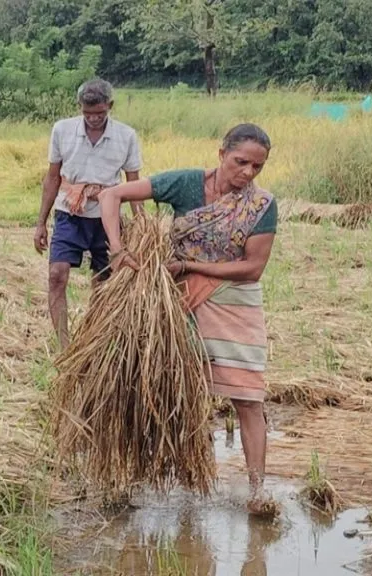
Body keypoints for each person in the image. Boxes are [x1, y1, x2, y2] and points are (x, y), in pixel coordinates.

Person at [96, 123, 278, 511]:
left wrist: (190, 265)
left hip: (235, 304)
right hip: (179, 303)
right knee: (175, 388)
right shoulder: (185, 184)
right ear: (221, 153)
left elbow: (252, 268)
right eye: (240, 162)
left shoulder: (261, 205)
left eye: (256, 167)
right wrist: (116, 249)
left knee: (248, 398)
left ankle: (258, 491)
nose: (246, 174)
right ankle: (173, 479)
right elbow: (110, 195)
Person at [35, 78, 145, 350]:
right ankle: (64, 347)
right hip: (69, 213)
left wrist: (141, 226)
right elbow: (52, 178)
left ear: (110, 106)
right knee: (56, 274)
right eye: (88, 113)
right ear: (80, 108)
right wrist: (40, 223)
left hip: (106, 217)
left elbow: (134, 185)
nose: (94, 119)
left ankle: (92, 339)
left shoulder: (126, 136)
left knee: (103, 280)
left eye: (99, 113)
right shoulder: (62, 130)